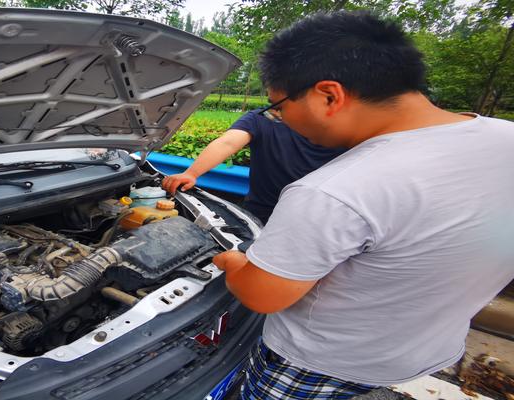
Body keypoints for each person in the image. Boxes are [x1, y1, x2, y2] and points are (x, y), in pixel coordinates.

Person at [211, 11, 514, 400]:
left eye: (279, 106)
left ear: (328, 95)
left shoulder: (334, 191)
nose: (278, 118)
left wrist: (232, 261)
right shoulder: (506, 138)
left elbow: (262, 295)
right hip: (427, 348)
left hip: (319, 365)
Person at [161, 106, 344, 224]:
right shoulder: (262, 117)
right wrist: (192, 173)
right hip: (259, 213)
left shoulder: (349, 130)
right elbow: (228, 143)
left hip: (318, 219)